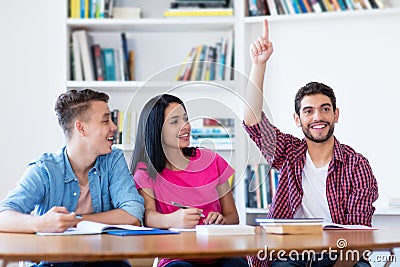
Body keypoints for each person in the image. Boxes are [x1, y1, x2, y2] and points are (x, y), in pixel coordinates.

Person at [243, 20, 378, 267]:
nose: (317, 117)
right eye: (308, 111)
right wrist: (258, 65)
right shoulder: (288, 153)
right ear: (297, 119)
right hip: (290, 255)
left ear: (336, 115)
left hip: (341, 255)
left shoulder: (357, 165)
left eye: (325, 109)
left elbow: (359, 236)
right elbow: (252, 121)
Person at [0, 89, 145, 267]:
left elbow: (133, 214)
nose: (114, 127)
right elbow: (3, 216)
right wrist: (41, 224)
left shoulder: (113, 160)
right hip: (53, 262)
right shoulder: (45, 169)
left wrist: (74, 221)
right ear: (81, 128)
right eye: (105, 120)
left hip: (104, 261)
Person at [131, 94, 248, 267]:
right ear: (156, 130)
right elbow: (148, 216)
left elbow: (233, 216)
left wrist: (221, 220)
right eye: (174, 121)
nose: (185, 126)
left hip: (220, 253)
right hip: (177, 257)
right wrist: (174, 220)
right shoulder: (145, 172)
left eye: (186, 119)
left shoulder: (212, 160)